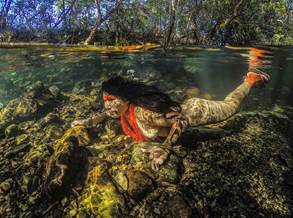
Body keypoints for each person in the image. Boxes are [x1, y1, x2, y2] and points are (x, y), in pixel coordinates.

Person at [71, 72, 270, 169]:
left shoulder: (143, 113)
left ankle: (250, 80)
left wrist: (165, 149)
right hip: (181, 112)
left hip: (196, 111)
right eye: (105, 100)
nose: (108, 106)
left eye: (112, 100)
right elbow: (107, 113)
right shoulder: (121, 107)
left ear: (125, 98)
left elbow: (181, 121)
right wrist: (87, 122)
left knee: (231, 106)